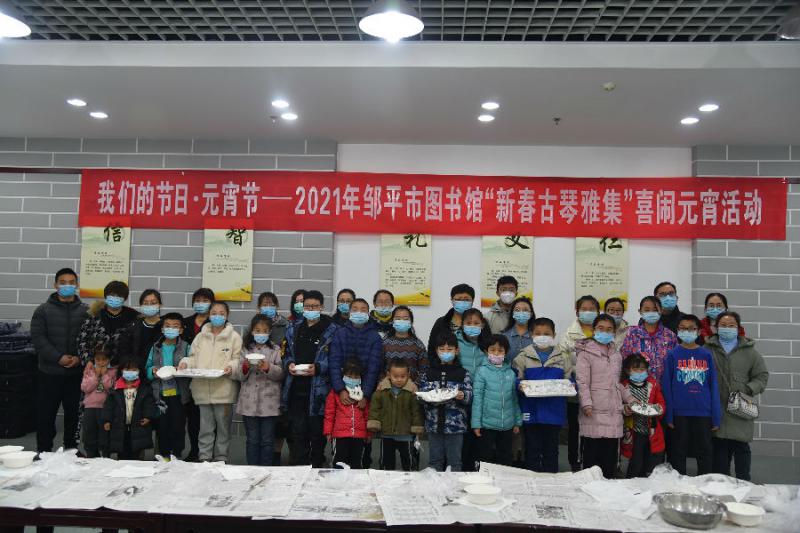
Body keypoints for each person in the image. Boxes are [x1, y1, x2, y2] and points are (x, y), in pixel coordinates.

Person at [31, 267, 88, 453]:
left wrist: (79, 358)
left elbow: (90, 340)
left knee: (74, 415)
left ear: (77, 285)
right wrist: (59, 358)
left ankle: (72, 450)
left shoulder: (86, 311)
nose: (67, 286)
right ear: (55, 285)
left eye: (71, 283)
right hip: (49, 373)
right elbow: (38, 339)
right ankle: (43, 451)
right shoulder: (43, 310)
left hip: (76, 374)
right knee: (45, 415)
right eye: (63, 283)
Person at [706, 311, 769, 481]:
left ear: (738, 328)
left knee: (742, 452)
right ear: (716, 328)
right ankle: (721, 488)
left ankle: (744, 486)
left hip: (740, 410)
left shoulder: (750, 352)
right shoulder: (707, 350)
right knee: (719, 456)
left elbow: (762, 376)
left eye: (731, 325)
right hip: (716, 411)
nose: (727, 328)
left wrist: (748, 389)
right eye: (723, 325)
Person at [178, 302, 241, 462]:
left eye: (221, 313)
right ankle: (204, 457)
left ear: (227, 315)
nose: (217, 316)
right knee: (205, 428)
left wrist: (231, 367)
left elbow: (238, 360)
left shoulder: (234, 337)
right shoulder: (201, 336)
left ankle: (221, 457)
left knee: (223, 428)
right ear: (209, 315)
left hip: (224, 390)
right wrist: (185, 363)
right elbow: (192, 357)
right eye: (214, 313)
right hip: (202, 389)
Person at [281, 290, 338, 468]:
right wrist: (289, 364)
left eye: (314, 306)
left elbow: (336, 359)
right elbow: (285, 353)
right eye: (307, 306)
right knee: (298, 433)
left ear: (321, 307)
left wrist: (319, 368)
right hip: (296, 388)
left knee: (317, 433)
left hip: (319, 391)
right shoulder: (293, 328)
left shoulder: (332, 330)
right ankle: (300, 466)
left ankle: (317, 465)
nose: (311, 309)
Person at [662, 314, 721, 476]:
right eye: (683, 328)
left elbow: (713, 385)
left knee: (705, 450)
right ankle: (679, 484)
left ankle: (704, 482)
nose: (687, 331)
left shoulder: (706, 355)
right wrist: (669, 415)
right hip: (679, 413)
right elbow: (667, 386)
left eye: (691, 329)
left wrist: (716, 416)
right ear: (677, 331)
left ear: (699, 331)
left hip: (703, 412)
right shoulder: (672, 355)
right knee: (678, 451)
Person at [576, 313, 632, 479]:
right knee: (592, 458)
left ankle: (607, 486)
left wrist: (630, 399)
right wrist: (586, 403)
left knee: (609, 459)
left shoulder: (616, 355)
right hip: (593, 411)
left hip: (613, 412)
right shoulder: (585, 353)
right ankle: (589, 486)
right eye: (601, 328)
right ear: (593, 330)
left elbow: (617, 383)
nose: (605, 332)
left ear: (614, 332)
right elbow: (582, 382)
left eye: (609, 329)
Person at [513, 317, 571, 473]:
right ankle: (532, 477)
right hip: (531, 411)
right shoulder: (523, 357)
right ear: (531, 334)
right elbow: (516, 380)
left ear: (554, 335)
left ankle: (550, 478)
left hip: (554, 412)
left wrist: (572, 386)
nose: (542, 336)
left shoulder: (563, 357)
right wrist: (520, 385)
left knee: (551, 450)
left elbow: (570, 381)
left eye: (546, 333)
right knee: (532, 448)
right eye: (538, 333)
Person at [232, 314, 284, 466]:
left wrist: (269, 368)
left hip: (270, 403)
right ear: (252, 331)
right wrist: (245, 367)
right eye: (257, 330)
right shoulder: (245, 349)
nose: (261, 334)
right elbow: (239, 375)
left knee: (267, 440)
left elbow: (281, 374)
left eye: (264, 331)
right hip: (249, 402)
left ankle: (266, 468)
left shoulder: (275, 349)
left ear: (270, 332)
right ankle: (252, 468)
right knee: (252, 439)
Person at [558, 295, 600, 472]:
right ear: (577, 312)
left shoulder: (603, 333)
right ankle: (574, 461)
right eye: (584, 309)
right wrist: (570, 378)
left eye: (592, 309)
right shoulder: (569, 334)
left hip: (597, 388)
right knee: (575, 427)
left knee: (594, 425)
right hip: (575, 387)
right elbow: (563, 359)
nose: (588, 312)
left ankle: (592, 461)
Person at [420, 332, 473, 472]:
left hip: (455, 426)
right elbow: (421, 395)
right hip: (433, 425)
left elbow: (469, 395)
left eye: (449, 349)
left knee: (454, 462)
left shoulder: (463, 373)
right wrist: (429, 397)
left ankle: (454, 484)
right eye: (442, 349)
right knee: (435, 462)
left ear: (457, 350)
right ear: (436, 351)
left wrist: (462, 395)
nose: (445, 352)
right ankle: (435, 484)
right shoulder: (428, 372)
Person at [146, 313, 191, 459]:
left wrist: (183, 369)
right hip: (160, 394)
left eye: (175, 326)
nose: (171, 329)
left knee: (178, 426)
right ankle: (163, 455)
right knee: (162, 426)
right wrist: (152, 371)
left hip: (179, 394)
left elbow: (192, 366)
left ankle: (176, 454)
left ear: (181, 330)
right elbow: (148, 367)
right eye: (167, 326)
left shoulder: (186, 347)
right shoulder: (156, 347)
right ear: (162, 329)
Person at [472, 334, 522, 467]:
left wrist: (517, 421)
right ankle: (483, 477)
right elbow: (477, 399)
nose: (496, 353)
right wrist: (476, 424)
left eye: (500, 350)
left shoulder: (511, 373)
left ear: (506, 352)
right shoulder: (481, 372)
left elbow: (514, 399)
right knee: (484, 455)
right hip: (487, 424)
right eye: (492, 350)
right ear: (486, 351)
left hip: (507, 425)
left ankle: (503, 478)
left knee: (505, 456)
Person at [368, 358, 425, 471]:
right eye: (396, 376)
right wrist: (374, 422)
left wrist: (417, 427)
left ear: (408, 375)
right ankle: (386, 480)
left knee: (409, 462)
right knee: (386, 463)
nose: (399, 380)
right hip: (386, 434)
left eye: (403, 376)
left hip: (406, 434)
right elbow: (374, 408)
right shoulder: (381, 391)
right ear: (388, 375)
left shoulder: (412, 393)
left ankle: (411, 479)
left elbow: (417, 411)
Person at [256, 291, 290, 464]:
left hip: (280, 376)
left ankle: (276, 454)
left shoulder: (286, 325)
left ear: (277, 306)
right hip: (258, 380)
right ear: (258, 307)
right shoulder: (254, 325)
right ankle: (264, 455)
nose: (268, 307)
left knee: (280, 421)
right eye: (264, 304)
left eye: (271, 304)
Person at [180, 287, 215, 462]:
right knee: (192, 417)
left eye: (205, 301)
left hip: (208, 377)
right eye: (198, 300)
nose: (201, 304)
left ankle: (208, 453)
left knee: (209, 419)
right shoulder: (185, 322)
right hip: (187, 376)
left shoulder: (216, 323)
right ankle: (194, 450)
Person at [330, 298, 383, 407]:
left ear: (368, 314)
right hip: (340, 391)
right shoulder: (339, 333)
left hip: (363, 393)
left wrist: (365, 394)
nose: (359, 312)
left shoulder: (375, 337)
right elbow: (334, 363)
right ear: (349, 313)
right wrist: (340, 389)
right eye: (355, 309)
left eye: (363, 310)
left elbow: (373, 369)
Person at [101, 357, 157, 460]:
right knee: (122, 452)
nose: (130, 372)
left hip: (138, 426)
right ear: (121, 370)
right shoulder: (115, 389)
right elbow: (108, 406)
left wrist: (148, 417)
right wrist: (106, 420)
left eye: (134, 369)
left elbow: (149, 404)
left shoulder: (144, 389)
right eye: (127, 369)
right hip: (120, 426)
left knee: (137, 452)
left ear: (139, 371)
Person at [620, 354, 665, 478]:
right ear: (627, 370)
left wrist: (656, 409)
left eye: (642, 369)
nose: (639, 372)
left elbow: (661, 404)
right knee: (636, 460)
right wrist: (626, 409)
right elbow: (618, 405)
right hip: (633, 430)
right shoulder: (623, 386)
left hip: (650, 430)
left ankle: (645, 483)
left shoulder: (653, 384)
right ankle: (631, 482)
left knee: (650, 461)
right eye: (635, 369)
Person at [77, 281, 139, 366]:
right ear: (105, 296)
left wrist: (129, 365)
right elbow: (82, 340)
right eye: (112, 295)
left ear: (125, 298)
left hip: (123, 368)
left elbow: (137, 344)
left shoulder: (133, 317)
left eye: (119, 296)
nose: (115, 298)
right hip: (95, 367)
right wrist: (89, 362)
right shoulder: (95, 315)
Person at [324, 358, 370, 469]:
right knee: (339, 461)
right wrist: (328, 431)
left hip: (359, 435)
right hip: (340, 435)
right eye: (349, 376)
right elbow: (329, 414)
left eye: (356, 376)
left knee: (357, 463)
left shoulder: (363, 395)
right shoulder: (335, 393)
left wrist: (369, 433)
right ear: (343, 375)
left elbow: (367, 415)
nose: (353, 379)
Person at [620, 296, 678, 384]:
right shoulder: (631, 333)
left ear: (661, 311)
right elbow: (624, 360)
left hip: (662, 387)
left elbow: (674, 363)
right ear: (640, 311)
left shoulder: (670, 336)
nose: (651, 313)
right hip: (635, 386)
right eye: (647, 310)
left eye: (655, 310)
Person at [428, 283, 488, 358]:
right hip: (447, 364)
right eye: (458, 299)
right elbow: (432, 348)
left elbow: (488, 346)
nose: (462, 302)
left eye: (466, 300)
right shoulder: (441, 322)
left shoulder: (482, 322)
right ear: (452, 300)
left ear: (472, 301)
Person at [80, 344, 116, 458]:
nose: (101, 362)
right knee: (89, 433)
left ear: (109, 359)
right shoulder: (89, 370)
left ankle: (106, 457)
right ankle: (91, 456)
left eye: (104, 360)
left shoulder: (113, 371)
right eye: (98, 359)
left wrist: (104, 375)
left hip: (105, 408)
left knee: (105, 435)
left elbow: (111, 388)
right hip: (90, 407)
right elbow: (85, 388)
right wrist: (96, 376)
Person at [117, 289, 164, 370]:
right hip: (136, 371)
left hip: (159, 370)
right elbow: (124, 351)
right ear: (141, 306)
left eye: (153, 303)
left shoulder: (166, 327)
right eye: (145, 303)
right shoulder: (132, 327)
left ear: (160, 305)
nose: (149, 306)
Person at [382, 306, 428, 384]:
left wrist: (416, 384)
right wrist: (382, 382)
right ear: (392, 321)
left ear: (411, 322)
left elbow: (425, 370)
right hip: (388, 387)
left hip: (411, 388)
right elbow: (378, 368)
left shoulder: (418, 345)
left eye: (406, 319)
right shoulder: (384, 343)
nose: (402, 321)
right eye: (398, 318)